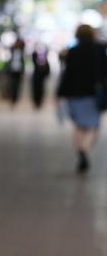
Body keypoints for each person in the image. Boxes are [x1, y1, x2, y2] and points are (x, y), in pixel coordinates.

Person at [57, 24, 106, 174]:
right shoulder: (99, 50)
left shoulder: (73, 51)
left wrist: (60, 93)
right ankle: (85, 149)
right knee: (92, 126)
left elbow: (67, 74)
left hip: (75, 94)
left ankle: (80, 151)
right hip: (93, 94)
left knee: (79, 125)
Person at [6, 36, 25, 107]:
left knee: (17, 85)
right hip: (12, 70)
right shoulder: (12, 49)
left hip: (19, 70)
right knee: (12, 85)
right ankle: (12, 98)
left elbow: (23, 61)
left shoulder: (22, 50)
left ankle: (15, 98)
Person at [31, 42, 50, 110]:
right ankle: (36, 102)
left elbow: (47, 67)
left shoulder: (44, 56)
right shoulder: (35, 55)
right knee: (35, 90)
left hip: (41, 76)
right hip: (36, 76)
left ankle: (39, 102)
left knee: (41, 90)